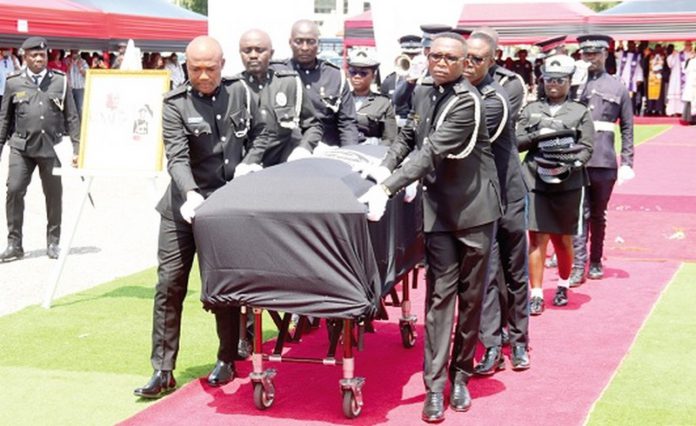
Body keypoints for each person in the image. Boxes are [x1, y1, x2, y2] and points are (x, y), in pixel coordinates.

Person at [359, 32, 501, 422]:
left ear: (464, 64)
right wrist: (384, 167)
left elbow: (432, 150)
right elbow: (409, 134)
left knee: (471, 301)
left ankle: (461, 375)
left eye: (449, 58)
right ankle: (434, 387)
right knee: (440, 298)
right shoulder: (424, 90)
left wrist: (387, 189)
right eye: (433, 55)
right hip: (439, 210)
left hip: (474, 211)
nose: (439, 62)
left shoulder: (467, 102)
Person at [133, 35, 271, 399]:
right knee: (169, 284)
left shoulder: (241, 92)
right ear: (185, 67)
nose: (204, 75)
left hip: (225, 206)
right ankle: (162, 369)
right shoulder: (175, 103)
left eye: (211, 68)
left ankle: (227, 357)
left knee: (223, 287)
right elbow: (176, 157)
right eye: (196, 69)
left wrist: (250, 161)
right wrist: (191, 193)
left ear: (223, 64)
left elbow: (264, 131)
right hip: (184, 206)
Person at [462, 31, 530, 375]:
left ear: (493, 60)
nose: (469, 63)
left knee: (514, 268)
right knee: (487, 271)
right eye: (466, 57)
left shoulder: (503, 90)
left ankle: (518, 340)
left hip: (508, 191)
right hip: (481, 196)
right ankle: (491, 346)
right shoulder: (457, 88)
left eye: (477, 58)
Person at [516, 54, 594, 315]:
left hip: (567, 183)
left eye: (559, 80)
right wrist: (537, 134)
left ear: (569, 82)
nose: (553, 84)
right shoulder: (530, 109)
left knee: (563, 240)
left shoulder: (580, 111)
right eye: (549, 79)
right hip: (536, 178)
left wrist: (573, 164)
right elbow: (516, 142)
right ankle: (536, 293)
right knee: (536, 238)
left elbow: (587, 147)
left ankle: (562, 284)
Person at [0, 36, 80, 262]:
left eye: (42, 55)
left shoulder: (60, 81)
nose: (38, 59)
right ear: (24, 57)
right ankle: (14, 244)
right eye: (33, 55)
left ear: (47, 56)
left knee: (54, 195)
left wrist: (77, 149)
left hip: (49, 147)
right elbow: (4, 119)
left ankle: (53, 242)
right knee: (14, 190)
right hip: (21, 147)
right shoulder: (13, 82)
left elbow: (72, 117)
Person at [569, 35, 634, 285]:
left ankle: (595, 260)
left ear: (605, 55)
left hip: (604, 160)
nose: (590, 58)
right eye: (586, 54)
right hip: (577, 158)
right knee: (578, 213)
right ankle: (577, 265)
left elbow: (627, 127)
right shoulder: (575, 84)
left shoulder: (617, 87)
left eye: (595, 53)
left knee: (598, 214)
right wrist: (574, 84)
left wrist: (628, 160)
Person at [237, 29, 322, 166]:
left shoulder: (289, 83)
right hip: (247, 168)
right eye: (247, 51)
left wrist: (304, 148)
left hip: (283, 167)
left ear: (271, 53)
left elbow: (313, 125)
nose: (253, 55)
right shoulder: (235, 88)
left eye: (259, 50)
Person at [271, 19, 358, 146]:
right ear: (290, 43)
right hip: (285, 152)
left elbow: (347, 123)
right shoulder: (276, 73)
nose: (305, 47)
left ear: (319, 43)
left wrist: (350, 156)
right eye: (299, 41)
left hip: (326, 151)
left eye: (311, 42)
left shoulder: (335, 76)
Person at [346, 50, 397, 145]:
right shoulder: (341, 100)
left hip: (370, 152)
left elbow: (390, 139)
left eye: (363, 73)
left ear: (373, 76)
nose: (357, 76)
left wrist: (374, 146)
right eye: (353, 72)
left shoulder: (382, 103)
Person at [380, 34, 423, 124]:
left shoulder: (427, 79)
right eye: (407, 54)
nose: (411, 59)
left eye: (415, 55)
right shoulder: (390, 80)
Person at [666, 41, 693, 116]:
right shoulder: (678, 54)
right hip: (677, 79)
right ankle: (675, 111)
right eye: (687, 45)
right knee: (676, 95)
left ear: (691, 46)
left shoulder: (693, 55)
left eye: (689, 45)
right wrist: (673, 55)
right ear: (684, 45)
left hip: (689, 78)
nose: (688, 46)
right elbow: (670, 64)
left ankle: (688, 113)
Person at [618, 40, 644, 115]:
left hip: (632, 79)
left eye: (633, 45)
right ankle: (621, 112)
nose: (631, 47)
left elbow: (639, 68)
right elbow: (619, 65)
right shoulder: (622, 54)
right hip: (622, 78)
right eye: (630, 45)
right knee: (621, 96)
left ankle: (631, 112)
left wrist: (639, 78)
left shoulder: (637, 56)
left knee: (631, 97)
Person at [64, 49, 88, 116]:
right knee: (70, 108)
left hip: (80, 88)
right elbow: (65, 72)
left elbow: (86, 74)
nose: (74, 54)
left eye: (76, 52)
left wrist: (80, 67)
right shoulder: (66, 61)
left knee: (80, 108)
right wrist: (69, 65)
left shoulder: (83, 62)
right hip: (70, 87)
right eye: (73, 52)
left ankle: (80, 124)